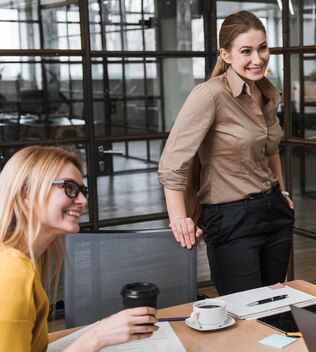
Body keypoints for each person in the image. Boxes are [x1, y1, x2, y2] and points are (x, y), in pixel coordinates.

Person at [158, 10, 294, 295]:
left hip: (274, 214)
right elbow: (172, 162)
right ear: (226, 55)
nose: (258, 59)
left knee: (273, 307)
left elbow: (271, 150)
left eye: (262, 48)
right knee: (245, 314)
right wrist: (178, 218)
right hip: (231, 219)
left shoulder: (267, 93)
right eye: (246, 51)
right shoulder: (210, 95)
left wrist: (281, 191)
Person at [0, 146, 158, 352]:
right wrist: (96, 338)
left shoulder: (25, 258)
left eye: (83, 191)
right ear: (26, 193)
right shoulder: (12, 272)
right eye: (69, 188)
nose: (83, 201)